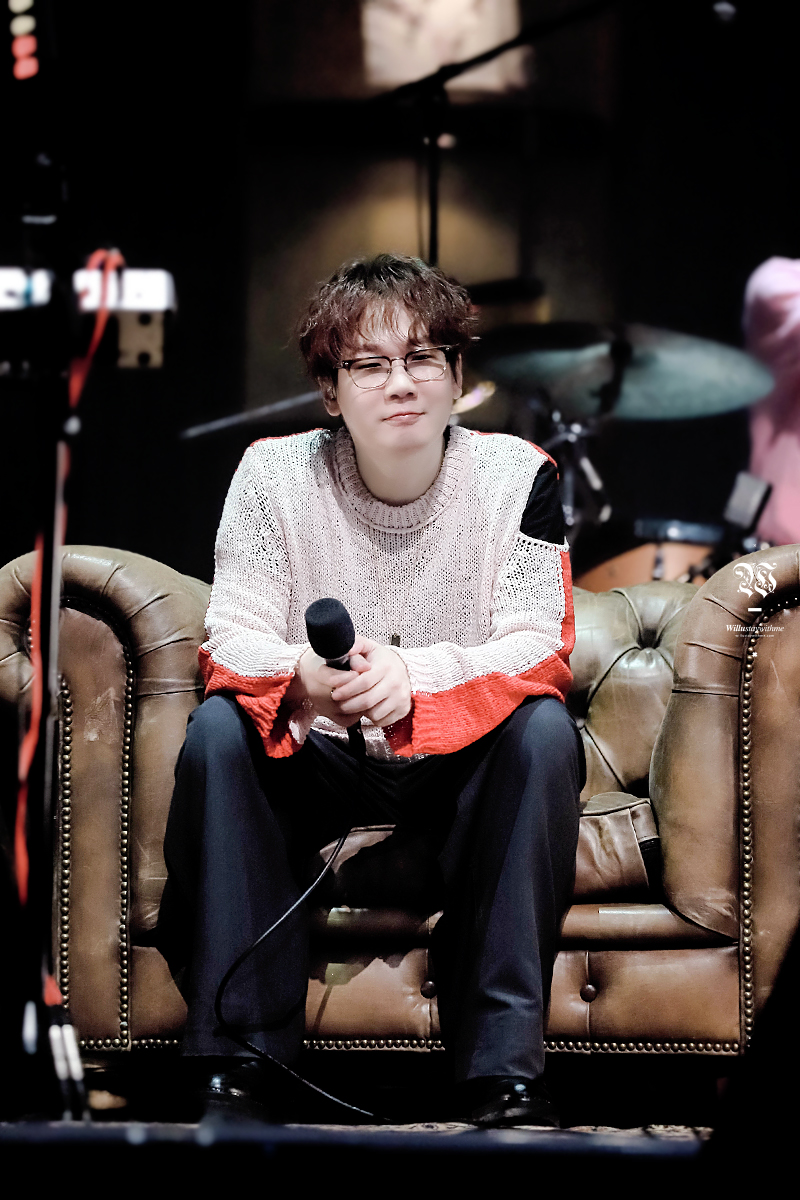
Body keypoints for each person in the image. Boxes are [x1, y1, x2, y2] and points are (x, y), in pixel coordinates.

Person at [155, 253, 584, 1127]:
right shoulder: (271, 475)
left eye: (424, 357)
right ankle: (239, 1061)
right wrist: (303, 681)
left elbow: (539, 642)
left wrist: (413, 676)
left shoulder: (520, 476)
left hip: (459, 759)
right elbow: (231, 633)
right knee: (218, 731)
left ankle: (502, 1070)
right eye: (369, 364)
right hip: (317, 756)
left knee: (545, 730)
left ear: (458, 378)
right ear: (330, 390)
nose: (401, 382)